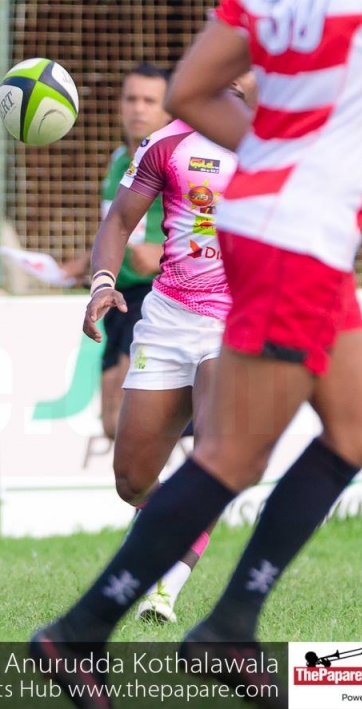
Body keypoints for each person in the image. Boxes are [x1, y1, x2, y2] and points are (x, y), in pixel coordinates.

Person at [33, 0, 362, 706]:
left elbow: (188, 91)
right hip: (296, 236)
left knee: (360, 427)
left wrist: (279, 157)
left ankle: (229, 622)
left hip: (271, 230)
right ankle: (81, 633)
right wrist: (309, 167)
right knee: (230, 457)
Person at [82, 74, 255, 626]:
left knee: (212, 456)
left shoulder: (277, 145)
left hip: (237, 321)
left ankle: (164, 591)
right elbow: (119, 221)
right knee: (131, 480)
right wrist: (102, 283)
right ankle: (169, 530)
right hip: (167, 320)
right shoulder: (167, 143)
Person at [64, 64, 170, 441]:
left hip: (155, 295)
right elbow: (117, 227)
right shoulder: (119, 161)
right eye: (131, 99)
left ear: (168, 110)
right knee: (113, 424)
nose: (138, 108)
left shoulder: (178, 159)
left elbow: (216, 223)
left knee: (129, 418)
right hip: (115, 296)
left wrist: (164, 251)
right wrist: (83, 264)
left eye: (149, 101)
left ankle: (200, 425)